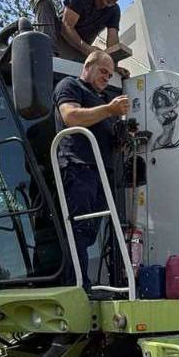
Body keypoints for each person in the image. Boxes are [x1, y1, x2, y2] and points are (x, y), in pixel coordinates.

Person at [54, 50, 130, 288]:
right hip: (78, 165)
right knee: (78, 227)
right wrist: (109, 110)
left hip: (102, 171)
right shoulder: (70, 86)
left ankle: (80, 280)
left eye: (110, 74)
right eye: (103, 71)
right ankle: (76, 285)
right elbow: (71, 117)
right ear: (88, 66)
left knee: (88, 232)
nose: (107, 77)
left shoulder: (103, 98)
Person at [34, 0, 128, 62]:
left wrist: (113, 66)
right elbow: (66, 27)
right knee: (44, 1)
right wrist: (88, 49)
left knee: (100, 61)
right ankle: (47, 51)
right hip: (59, 40)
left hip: (78, 52)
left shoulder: (114, 10)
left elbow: (113, 44)